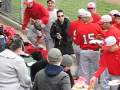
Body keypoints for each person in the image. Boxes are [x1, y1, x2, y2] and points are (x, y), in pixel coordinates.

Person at [90, 15, 120, 90]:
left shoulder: (112, 32)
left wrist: (100, 44)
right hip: (111, 61)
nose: (101, 25)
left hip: (113, 62)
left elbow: (112, 48)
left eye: (102, 23)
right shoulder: (114, 30)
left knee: (108, 84)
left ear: (107, 23)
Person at [74, 9, 103, 84]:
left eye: (83, 18)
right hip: (95, 52)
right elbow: (102, 36)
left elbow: (77, 42)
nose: (82, 19)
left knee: (84, 73)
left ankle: (86, 87)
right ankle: (94, 88)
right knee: (95, 72)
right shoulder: (96, 26)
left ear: (85, 18)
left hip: (84, 52)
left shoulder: (79, 28)